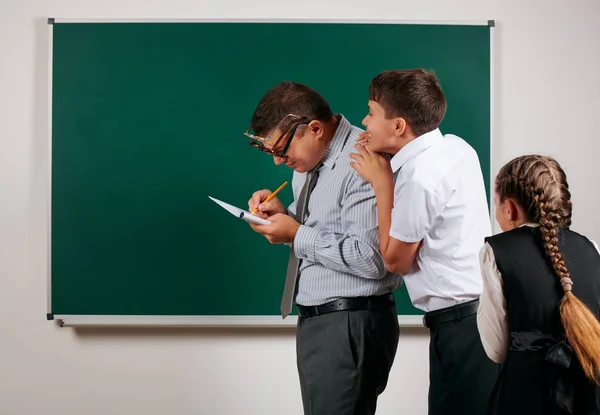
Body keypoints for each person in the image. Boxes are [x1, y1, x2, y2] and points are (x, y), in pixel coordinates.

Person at [244, 81, 402, 415]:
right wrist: (283, 216)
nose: (277, 162)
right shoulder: (310, 160)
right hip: (321, 321)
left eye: (281, 150)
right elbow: (326, 226)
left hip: (348, 321)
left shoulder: (361, 161)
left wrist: (296, 234)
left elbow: (374, 259)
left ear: (314, 129)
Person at [349, 68, 498, 414]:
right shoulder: (456, 147)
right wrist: (388, 160)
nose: (364, 122)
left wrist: (382, 183)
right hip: (475, 318)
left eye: (371, 113)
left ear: (398, 126)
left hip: (461, 328)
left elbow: (395, 261)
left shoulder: (419, 177)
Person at [477, 154, 600, 415]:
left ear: (509, 209)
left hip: (525, 397)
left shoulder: (496, 252)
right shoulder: (592, 248)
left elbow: (495, 349)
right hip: (586, 397)